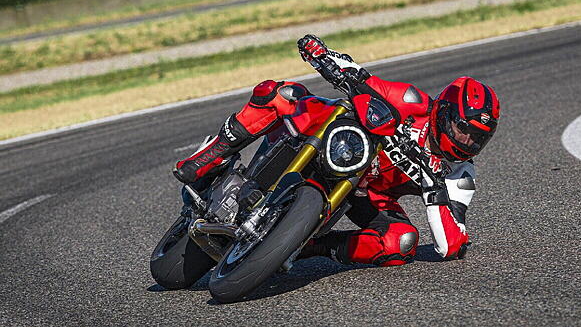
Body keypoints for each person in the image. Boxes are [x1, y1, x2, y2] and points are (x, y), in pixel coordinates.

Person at [174, 35, 500, 266]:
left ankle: (307, 246)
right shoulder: (413, 102)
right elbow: (364, 80)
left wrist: (433, 188)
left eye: (477, 138)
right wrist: (323, 55)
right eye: (463, 129)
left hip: (365, 196)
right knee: (282, 93)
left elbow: (450, 243)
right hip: (338, 136)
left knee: (402, 242)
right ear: (443, 113)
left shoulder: (460, 175)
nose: (467, 141)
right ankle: (212, 155)